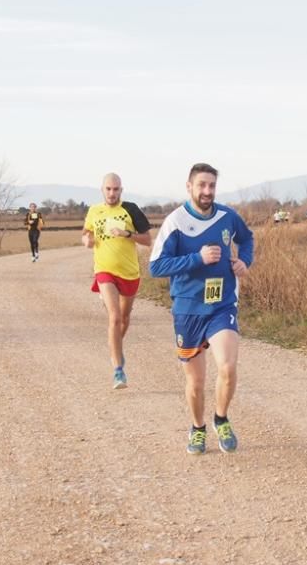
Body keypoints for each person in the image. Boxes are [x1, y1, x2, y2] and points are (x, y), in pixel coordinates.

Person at [149, 163, 254, 455]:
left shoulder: (227, 216)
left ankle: (221, 419)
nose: (207, 191)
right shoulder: (176, 222)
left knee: (227, 367)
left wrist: (244, 261)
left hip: (222, 306)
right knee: (196, 382)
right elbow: (156, 266)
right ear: (189, 187)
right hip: (188, 310)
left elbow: (246, 239)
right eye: (202, 185)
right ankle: (197, 428)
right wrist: (197, 258)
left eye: (211, 186)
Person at [82, 173, 152, 389]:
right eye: (108, 189)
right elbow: (86, 232)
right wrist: (87, 239)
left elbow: (148, 240)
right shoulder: (94, 210)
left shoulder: (130, 209)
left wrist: (127, 234)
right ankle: (118, 370)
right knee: (114, 317)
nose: (112, 193)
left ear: (121, 190)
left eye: (116, 189)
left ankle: (115, 346)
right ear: (102, 190)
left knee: (124, 317)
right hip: (104, 270)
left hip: (130, 273)